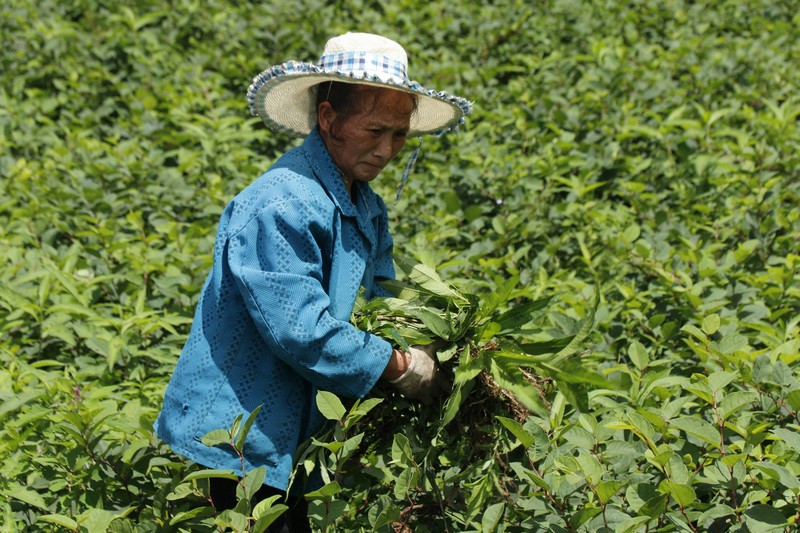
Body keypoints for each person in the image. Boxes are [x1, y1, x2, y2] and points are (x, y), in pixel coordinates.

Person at [154, 32, 471, 532]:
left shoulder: (366, 205)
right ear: (328, 118)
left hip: (302, 439)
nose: (387, 149)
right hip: (238, 442)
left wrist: (429, 342)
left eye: (399, 134)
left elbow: (381, 301)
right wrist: (401, 367)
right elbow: (299, 329)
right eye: (374, 130)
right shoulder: (282, 203)